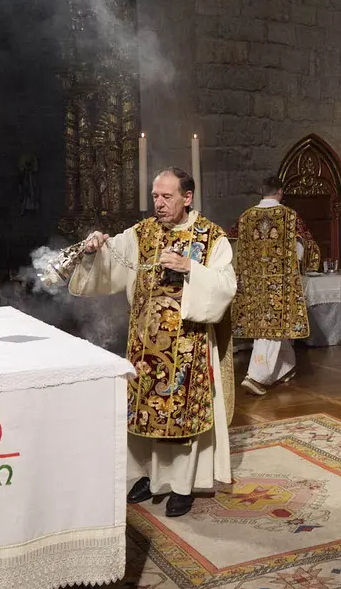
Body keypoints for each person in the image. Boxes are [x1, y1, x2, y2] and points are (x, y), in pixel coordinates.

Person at [69, 167, 236, 518]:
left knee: (182, 419)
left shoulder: (211, 237)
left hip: (187, 346)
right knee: (143, 416)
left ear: (187, 198)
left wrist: (191, 267)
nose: (158, 204)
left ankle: (181, 486)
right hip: (144, 346)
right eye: (155, 196)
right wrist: (93, 249)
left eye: (166, 197)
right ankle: (147, 475)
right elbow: (111, 261)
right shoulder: (141, 233)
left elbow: (225, 288)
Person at [232, 176, 320, 395]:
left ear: (262, 191)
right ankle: (256, 376)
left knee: (268, 327)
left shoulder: (245, 217)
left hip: (252, 284)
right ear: (280, 192)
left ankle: (286, 367)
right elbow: (304, 246)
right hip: (280, 282)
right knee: (272, 327)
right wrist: (298, 265)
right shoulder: (289, 216)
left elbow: (231, 245)